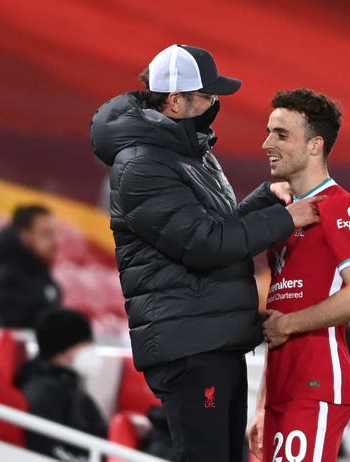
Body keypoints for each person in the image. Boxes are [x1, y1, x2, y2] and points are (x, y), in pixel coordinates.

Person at [90, 44, 322, 462]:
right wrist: (288, 220)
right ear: (176, 101)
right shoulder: (141, 164)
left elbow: (221, 225)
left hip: (212, 338)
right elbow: (206, 244)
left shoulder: (190, 152)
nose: (215, 104)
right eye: (206, 95)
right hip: (189, 345)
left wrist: (267, 199)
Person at [248, 88, 350, 462]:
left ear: (315, 145)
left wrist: (289, 325)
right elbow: (276, 321)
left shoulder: (340, 205)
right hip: (282, 386)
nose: (266, 143)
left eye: (281, 134)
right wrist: (262, 403)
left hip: (317, 382)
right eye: (269, 131)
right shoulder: (285, 217)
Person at [16, 309, 107, 461]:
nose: (91, 351)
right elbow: (45, 447)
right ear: (63, 350)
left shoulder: (68, 386)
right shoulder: (43, 392)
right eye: (85, 344)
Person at [0, 204, 62, 328]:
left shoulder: (42, 274)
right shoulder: (3, 280)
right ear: (25, 235)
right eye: (46, 234)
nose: (55, 242)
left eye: (55, 234)